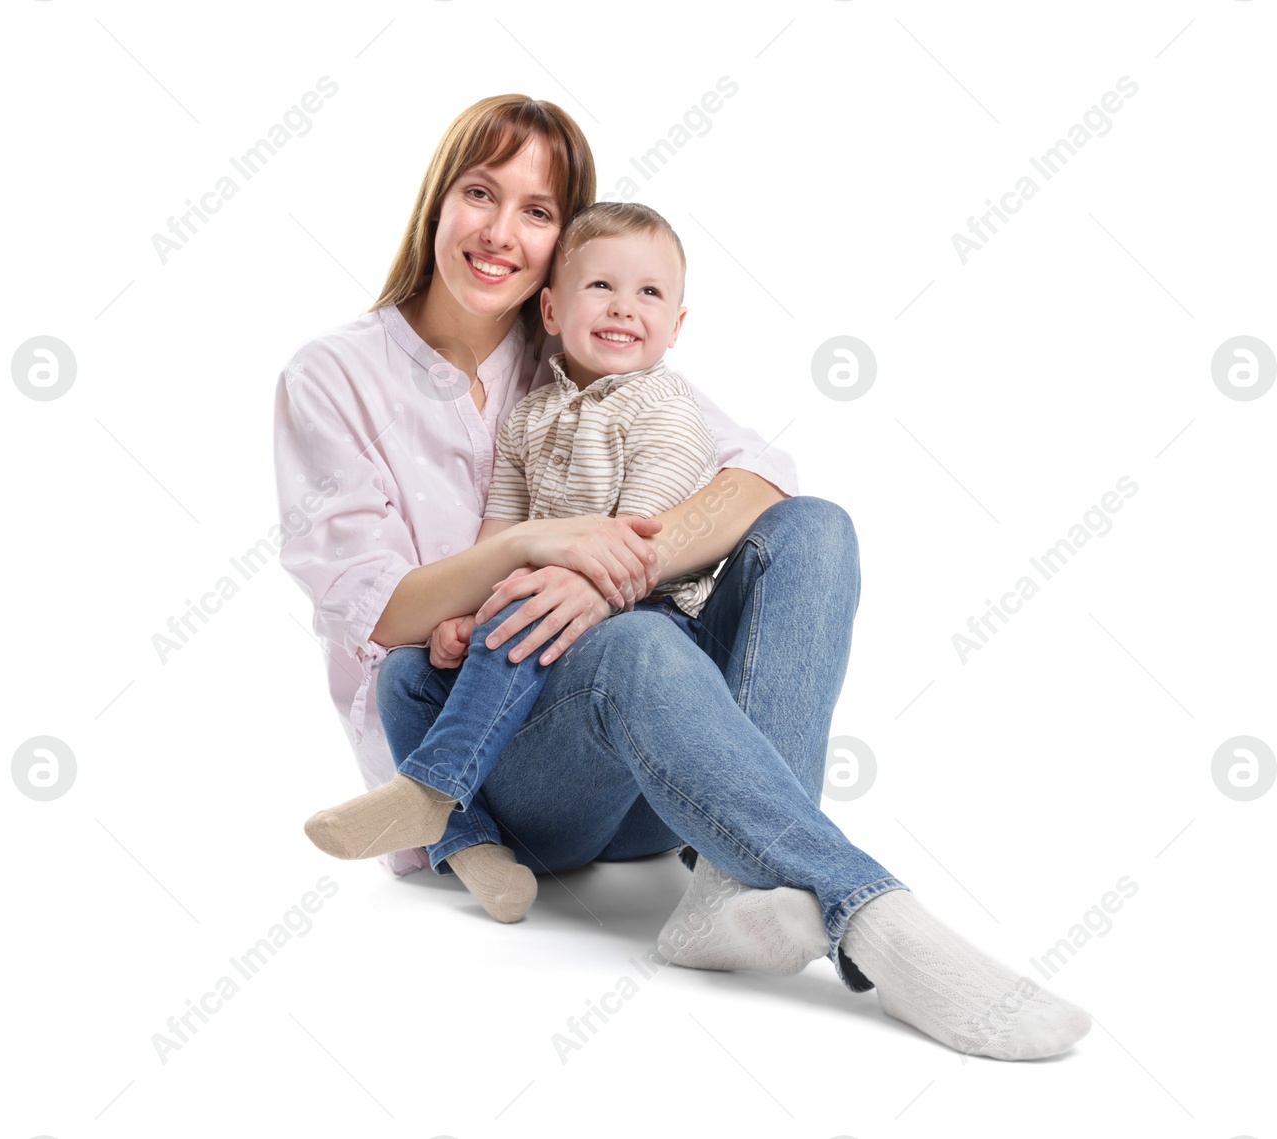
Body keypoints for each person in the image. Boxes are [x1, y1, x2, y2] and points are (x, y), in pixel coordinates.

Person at [274, 93, 1092, 1059]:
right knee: (637, 638)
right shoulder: (332, 376)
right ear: (435, 201)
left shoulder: (587, 334)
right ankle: (873, 917)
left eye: (538, 213)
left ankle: (729, 890)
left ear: (560, 249)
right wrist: (533, 551)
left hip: (652, 779)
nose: (501, 232)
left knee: (813, 530)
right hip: (501, 773)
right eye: (480, 193)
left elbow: (755, 476)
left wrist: (623, 568)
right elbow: (378, 608)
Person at [303, 200, 822, 940]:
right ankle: (469, 841)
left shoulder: (668, 408)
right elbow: (498, 539)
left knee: (536, 607)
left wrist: (544, 591)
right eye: (600, 287)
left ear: (677, 326)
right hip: (554, 661)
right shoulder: (528, 415)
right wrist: (464, 616)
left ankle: (431, 786)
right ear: (550, 308)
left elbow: (633, 545)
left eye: (649, 294)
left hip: (643, 626)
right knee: (405, 672)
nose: (622, 308)